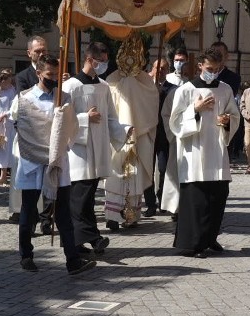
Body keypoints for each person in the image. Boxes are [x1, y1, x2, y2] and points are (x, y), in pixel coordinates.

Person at [10, 54, 96, 274]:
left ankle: (72, 260)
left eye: (57, 74)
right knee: (28, 210)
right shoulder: (23, 98)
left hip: (57, 161)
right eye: (50, 74)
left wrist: (63, 119)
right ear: (38, 73)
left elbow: (72, 128)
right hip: (31, 161)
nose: (54, 78)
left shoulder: (64, 97)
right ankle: (26, 256)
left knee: (63, 212)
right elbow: (19, 125)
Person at [170, 46, 240, 258]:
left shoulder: (225, 89)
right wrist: (195, 110)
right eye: (210, 68)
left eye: (217, 69)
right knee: (197, 199)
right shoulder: (186, 90)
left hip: (217, 150)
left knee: (217, 197)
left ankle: (210, 237)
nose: (213, 72)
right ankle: (194, 244)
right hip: (195, 151)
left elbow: (234, 115)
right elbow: (175, 122)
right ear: (200, 65)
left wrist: (228, 121)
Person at [62, 42, 132, 254]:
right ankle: (92, 238)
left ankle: (80, 240)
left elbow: (111, 116)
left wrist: (124, 130)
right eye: (100, 61)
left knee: (88, 196)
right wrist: (84, 118)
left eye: (105, 61)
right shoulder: (71, 86)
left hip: (97, 149)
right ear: (89, 60)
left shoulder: (103, 86)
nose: (103, 65)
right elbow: (62, 118)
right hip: (78, 151)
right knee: (79, 197)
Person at [104, 36, 159, 230]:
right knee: (115, 174)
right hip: (116, 137)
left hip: (138, 137)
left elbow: (152, 106)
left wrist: (141, 128)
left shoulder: (146, 82)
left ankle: (131, 215)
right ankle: (112, 216)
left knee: (132, 175)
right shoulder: (110, 81)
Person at [143, 57, 172, 217]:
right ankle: (150, 203)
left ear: (167, 71)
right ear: (152, 69)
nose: (160, 71)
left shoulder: (172, 89)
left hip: (163, 135)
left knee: (163, 168)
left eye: (163, 69)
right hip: (147, 132)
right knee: (148, 169)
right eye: (157, 68)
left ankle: (162, 199)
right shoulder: (145, 87)